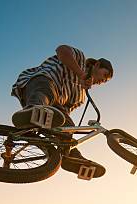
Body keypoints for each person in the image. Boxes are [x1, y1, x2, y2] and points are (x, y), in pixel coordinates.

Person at [11, 45, 113, 178]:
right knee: (48, 91)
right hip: (40, 81)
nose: (102, 81)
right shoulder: (80, 59)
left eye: (105, 81)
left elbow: (63, 114)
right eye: (104, 75)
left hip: (53, 106)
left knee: (67, 127)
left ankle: (72, 158)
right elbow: (61, 50)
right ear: (97, 65)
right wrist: (81, 74)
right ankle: (33, 109)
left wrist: (65, 132)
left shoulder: (80, 96)